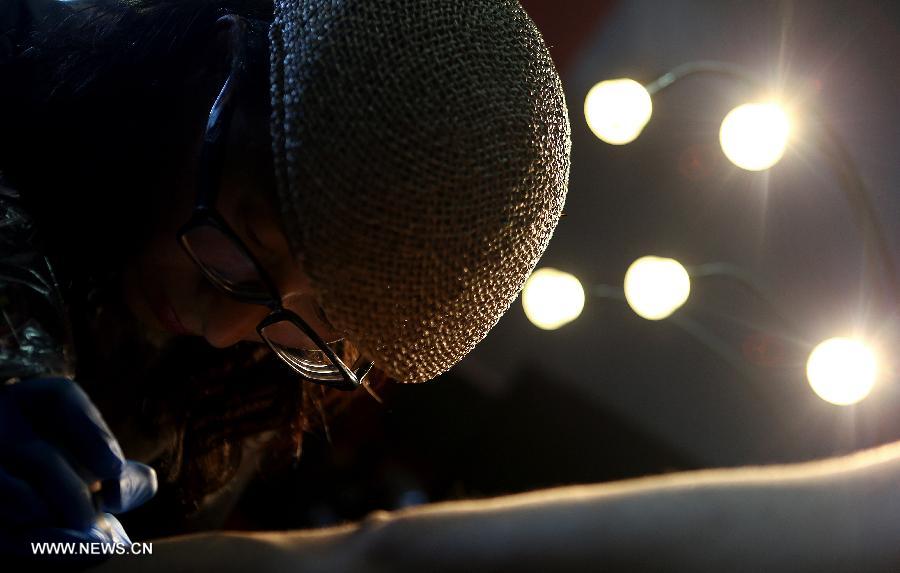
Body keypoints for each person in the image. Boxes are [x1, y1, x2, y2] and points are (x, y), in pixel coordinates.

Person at [2, 1, 900, 571]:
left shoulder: (221, 417)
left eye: (311, 331)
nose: (228, 326)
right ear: (213, 66)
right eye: (244, 237)